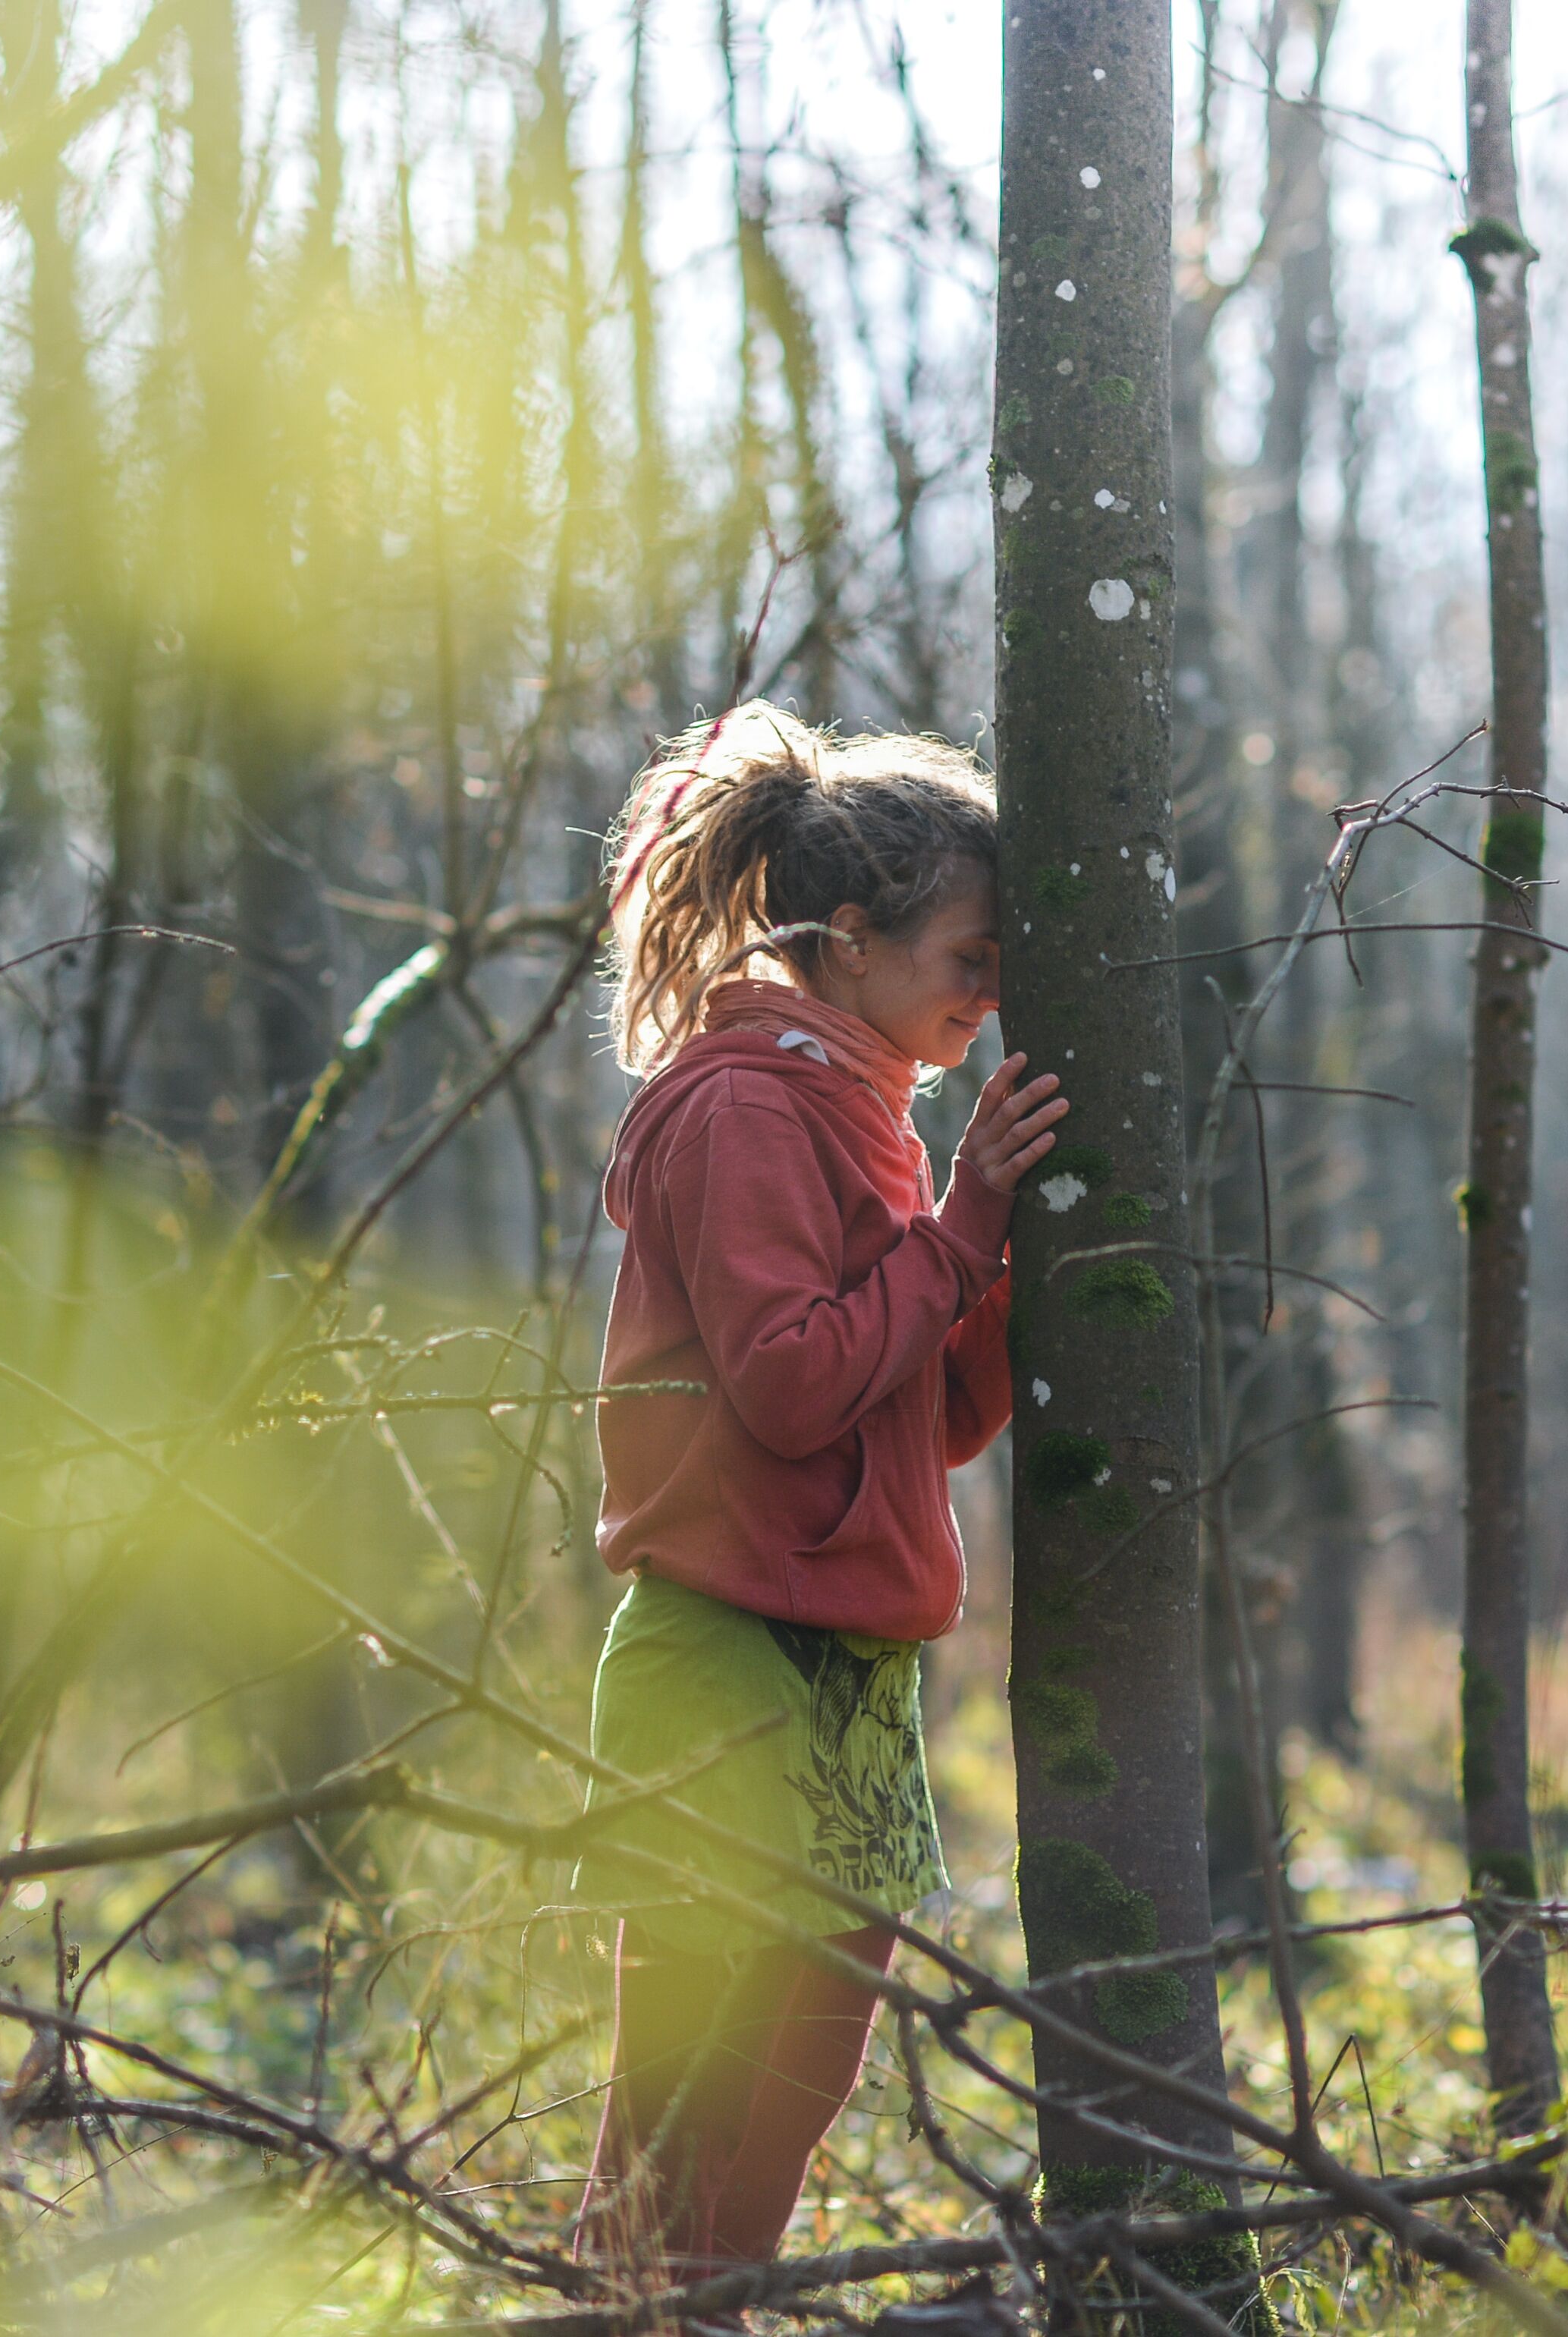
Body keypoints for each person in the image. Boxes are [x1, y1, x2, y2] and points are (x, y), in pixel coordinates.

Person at [572, 701, 1064, 2301]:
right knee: (691, 2080)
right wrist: (962, 1224)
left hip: (853, 1662)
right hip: (720, 1650)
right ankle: (634, 2313)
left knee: (799, 2071)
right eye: (969, 958)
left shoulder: (867, 1111)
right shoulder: (743, 1107)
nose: (989, 996)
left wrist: (1005, 1257)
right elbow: (790, 1383)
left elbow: (927, 1419)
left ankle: (700, 2307)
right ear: (851, 940)